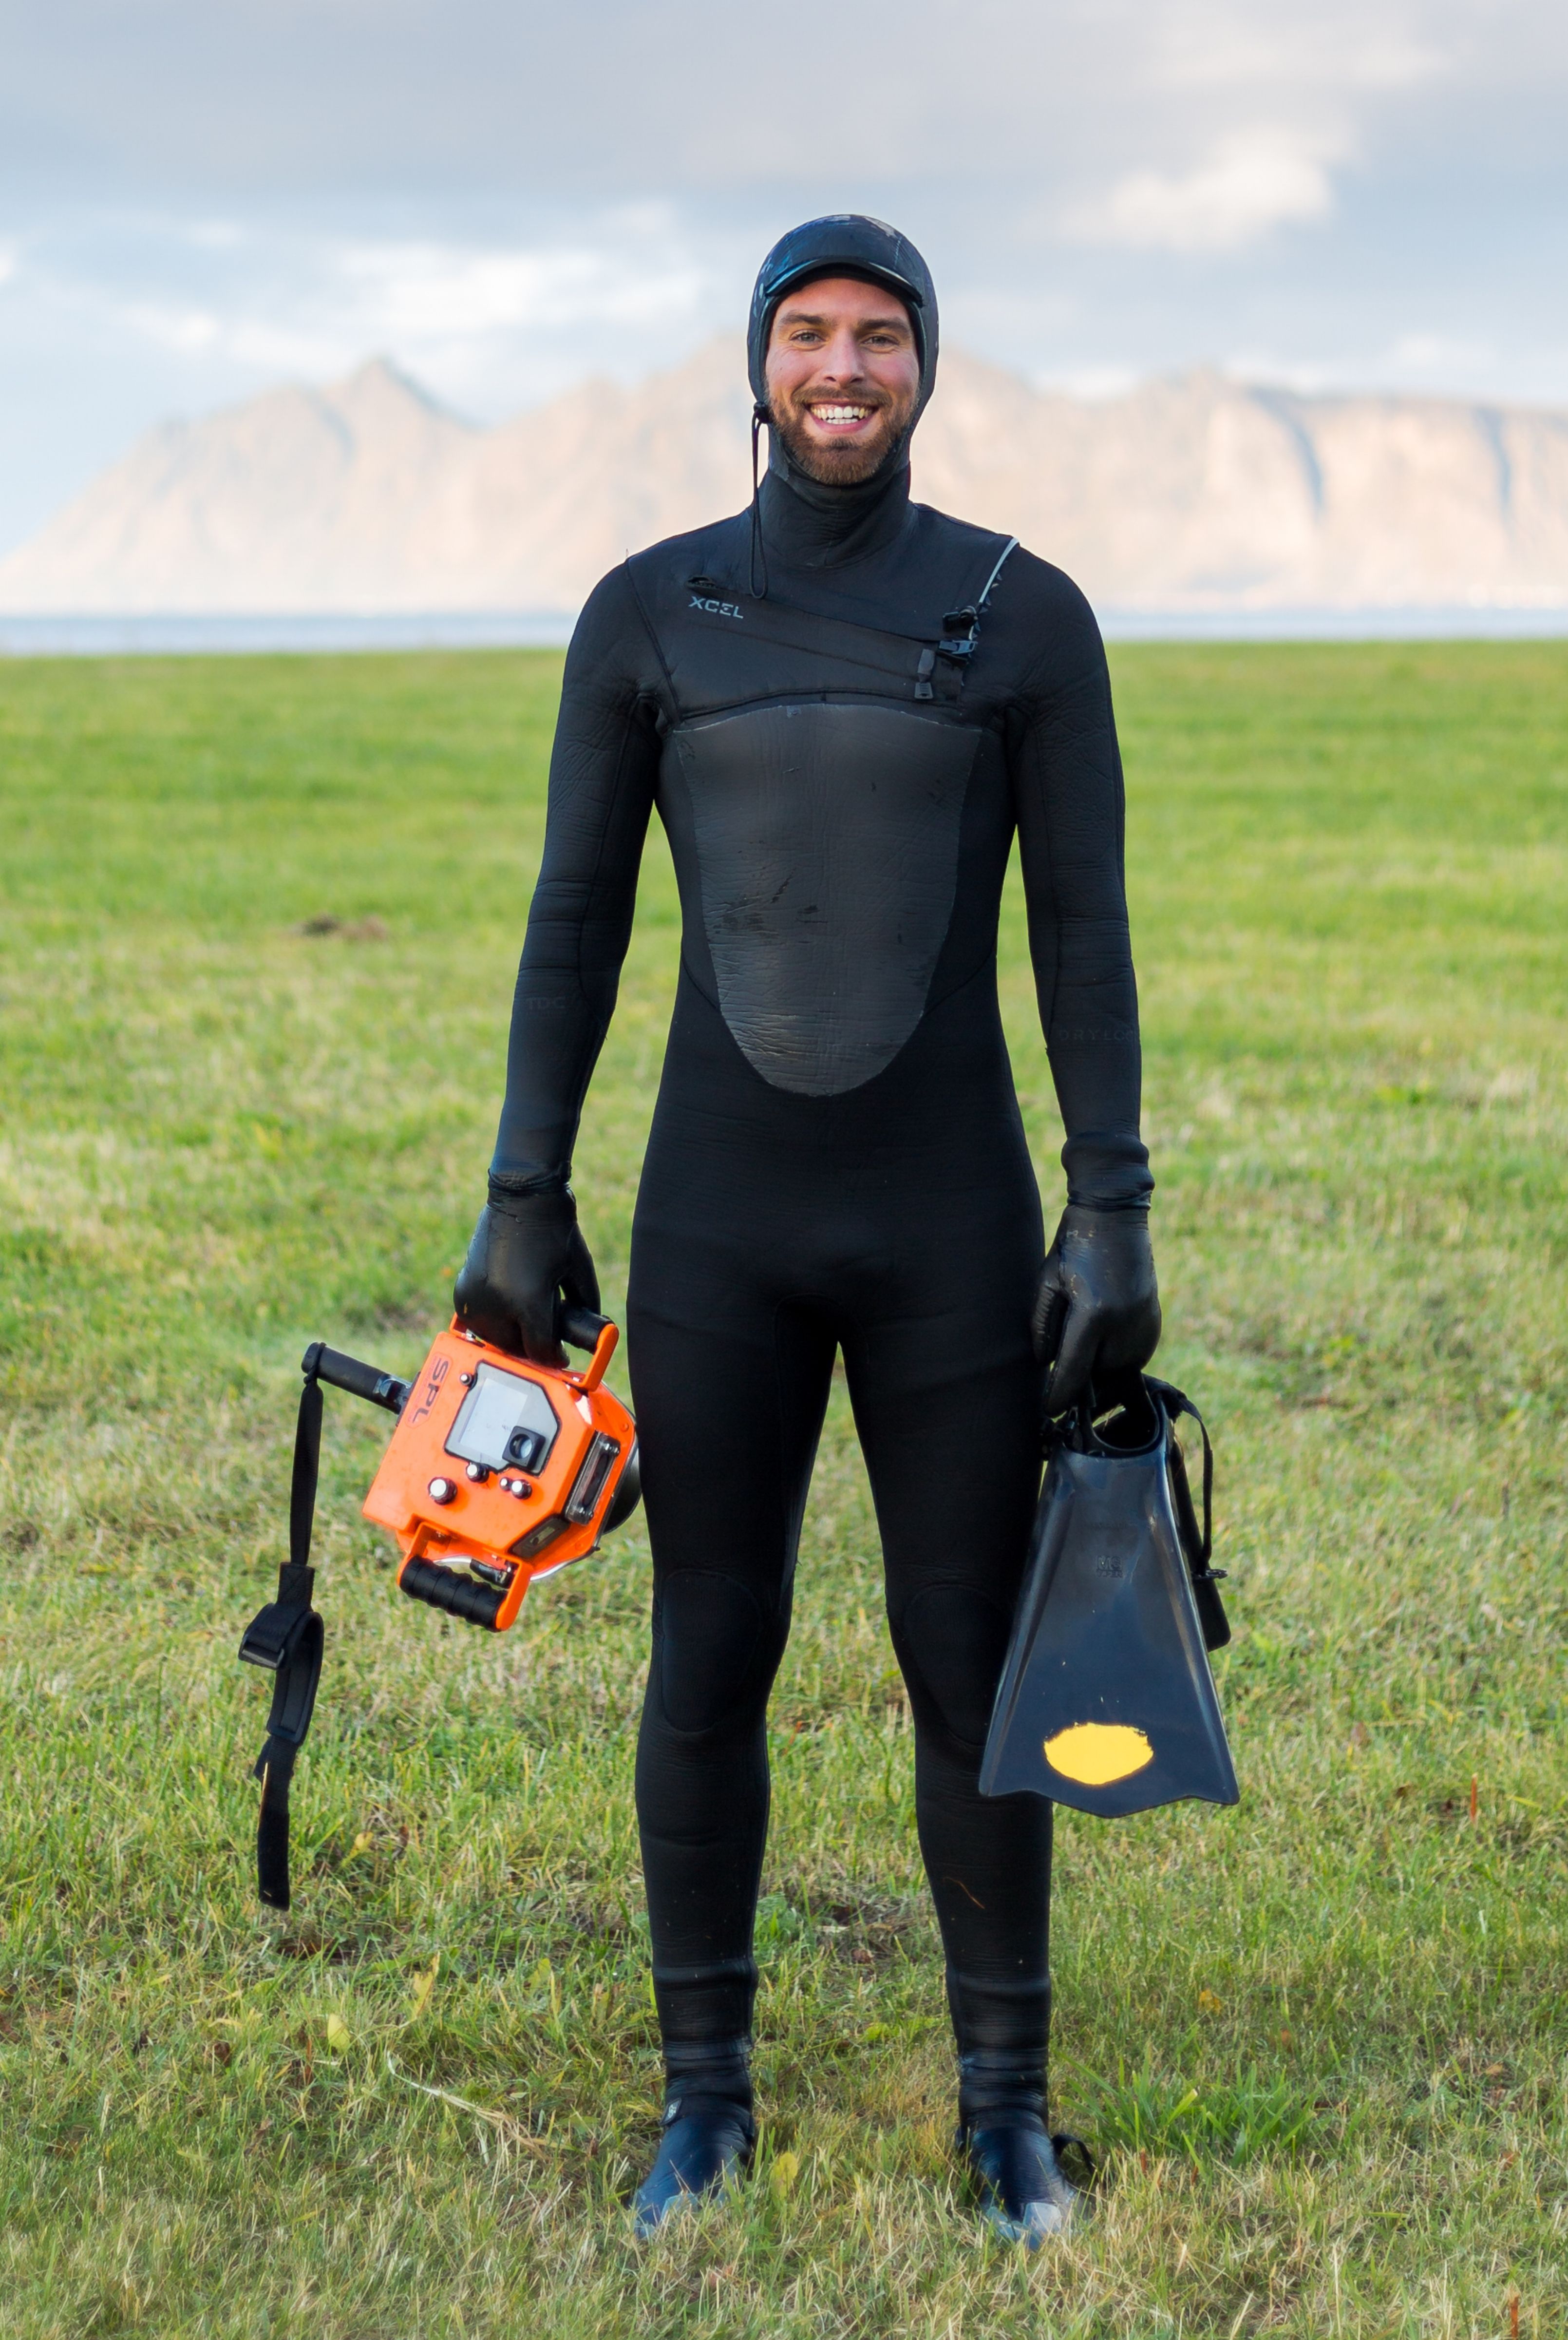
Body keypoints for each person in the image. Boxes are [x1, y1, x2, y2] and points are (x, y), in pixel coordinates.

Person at [454, 215, 1160, 2245]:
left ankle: (1004, 2113)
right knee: (712, 1647)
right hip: (717, 1231)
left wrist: (1108, 1213)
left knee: (968, 1661)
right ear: (754, 362)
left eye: (878, 337)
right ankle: (704, 2105)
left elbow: (1083, 938)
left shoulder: (1024, 618)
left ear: (926, 366)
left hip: (951, 1224)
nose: (841, 369)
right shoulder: (646, 615)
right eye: (807, 335)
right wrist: (524, 1187)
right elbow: (572, 923)